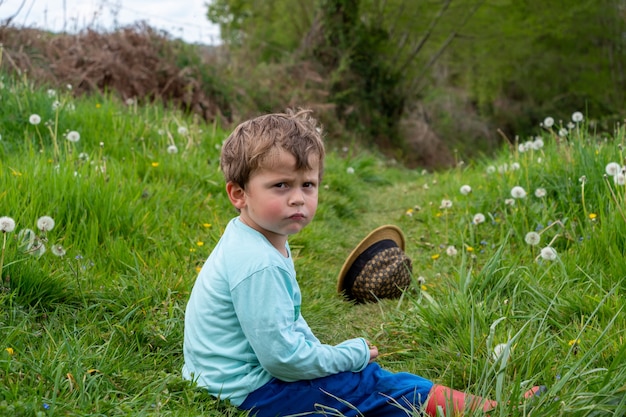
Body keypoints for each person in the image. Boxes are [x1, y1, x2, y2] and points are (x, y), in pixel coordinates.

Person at [182, 109, 544, 416]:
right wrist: (347, 355)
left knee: (360, 383)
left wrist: (321, 354)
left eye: (308, 184)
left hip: (221, 376)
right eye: (280, 186)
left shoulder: (254, 237)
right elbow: (283, 361)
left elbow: (282, 325)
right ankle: (492, 409)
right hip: (252, 393)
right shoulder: (258, 263)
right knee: (374, 383)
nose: (298, 199)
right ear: (239, 194)